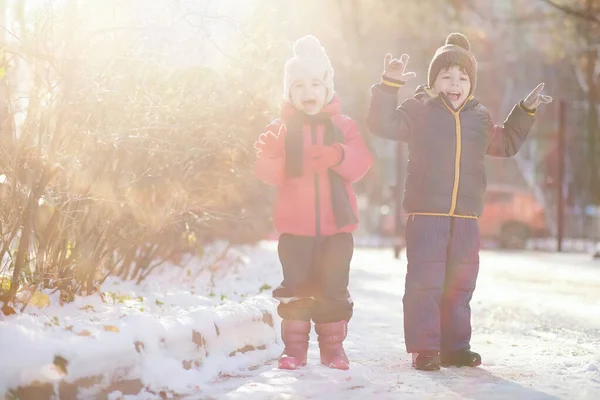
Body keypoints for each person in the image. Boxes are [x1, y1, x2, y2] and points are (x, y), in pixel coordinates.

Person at [367, 32, 552, 371]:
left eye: (462, 78)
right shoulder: (419, 109)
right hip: (426, 215)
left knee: (461, 283)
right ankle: (425, 347)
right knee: (425, 281)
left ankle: (455, 347)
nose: (455, 83)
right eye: (447, 76)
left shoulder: (478, 117)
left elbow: (505, 143)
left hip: (466, 217)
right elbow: (382, 123)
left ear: (471, 84)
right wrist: (389, 85)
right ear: (434, 81)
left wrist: (525, 111)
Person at [254, 35, 373, 370]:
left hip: (337, 229)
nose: (308, 92)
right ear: (289, 92)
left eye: (316, 84)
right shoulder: (283, 128)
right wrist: (268, 153)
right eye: (299, 85)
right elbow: (267, 173)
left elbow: (362, 161)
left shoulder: (343, 126)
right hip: (295, 230)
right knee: (297, 290)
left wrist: (338, 154)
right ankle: (294, 350)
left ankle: (333, 349)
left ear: (327, 89)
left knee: (334, 290)